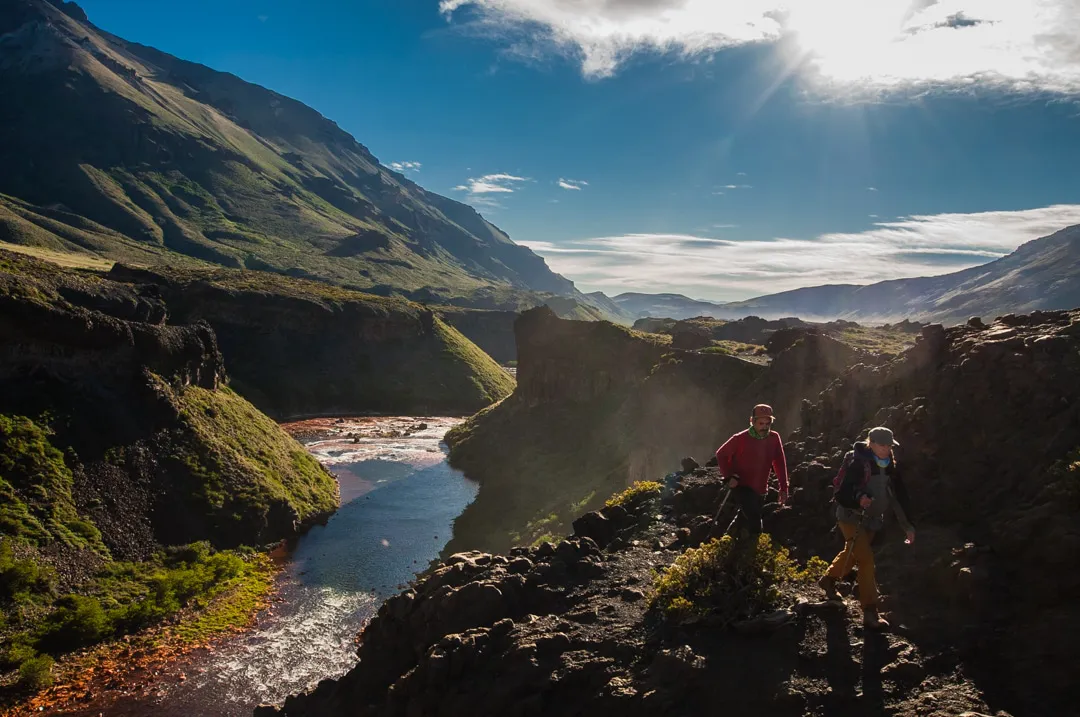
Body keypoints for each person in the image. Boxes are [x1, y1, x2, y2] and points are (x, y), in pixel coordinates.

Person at [819, 426, 915, 630]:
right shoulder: (857, 462)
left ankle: (828, 580)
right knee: (866, 560)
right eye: (882, 445)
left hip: (872, 520)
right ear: (870, 443)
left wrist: (908, 526)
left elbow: (899, 496)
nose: (886, 449)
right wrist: (859, 498)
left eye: (889, 446)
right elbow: (842, 491)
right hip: (850, 517)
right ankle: (870, 611)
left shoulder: (890, 464)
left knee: (853, 553)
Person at [712, 404, 789, 538]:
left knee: (743, 519)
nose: (764, 426)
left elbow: (779, 463)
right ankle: (753, 551)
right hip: (742, 485)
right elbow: (721, 454)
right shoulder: (740, 438)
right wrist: (729, 476)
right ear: (752, 421)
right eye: (761, 423)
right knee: (755, 522)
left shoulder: (774, 438)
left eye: (767, 423)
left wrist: (783, 488)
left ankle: (725, 545)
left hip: (760, 489)